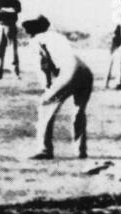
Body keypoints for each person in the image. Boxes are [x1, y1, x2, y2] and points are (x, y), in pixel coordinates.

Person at [21, 15, 91, 160]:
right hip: (85, 69)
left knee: (46, 104)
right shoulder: (56, 36)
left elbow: (44, 65)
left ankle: (44, 150)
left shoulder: (36, 40)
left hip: (70, 70)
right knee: (79, 111)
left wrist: (48, 86)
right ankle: (81, 151)